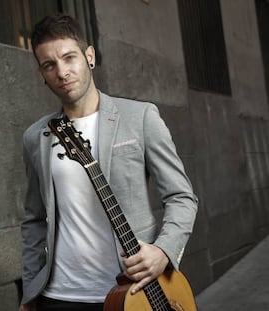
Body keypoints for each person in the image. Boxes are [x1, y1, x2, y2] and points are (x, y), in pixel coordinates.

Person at [19, 13, 198, 311]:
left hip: (134, 291)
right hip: (60, 295)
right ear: (41, 73)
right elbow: (34, 221)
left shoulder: (140, 118)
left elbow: (182, 197)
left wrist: (163, 251)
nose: (62, 72)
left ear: (89, 56)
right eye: (50, 64)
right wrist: (29, 290)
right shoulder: (35, 136)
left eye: (69, 57)